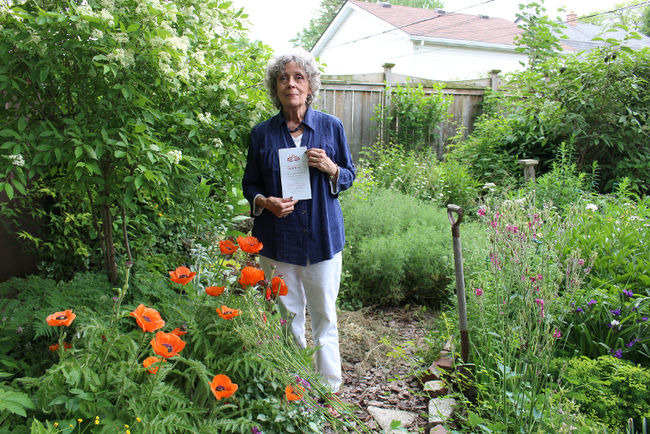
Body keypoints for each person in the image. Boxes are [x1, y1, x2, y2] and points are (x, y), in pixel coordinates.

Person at [242, 49, 356, 394]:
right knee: (288, 318)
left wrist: (331, 168)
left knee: (324, 317)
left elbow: (349, 175)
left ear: (309, 87)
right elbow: (250, 184)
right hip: (278, 241)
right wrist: (265, 202)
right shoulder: (261, 134)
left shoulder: (330, 127)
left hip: (321, 238)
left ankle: (330, 389)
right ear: (275, 89)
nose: (291, 84)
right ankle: (297, 386)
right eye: (283, 78)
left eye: (298, 77)